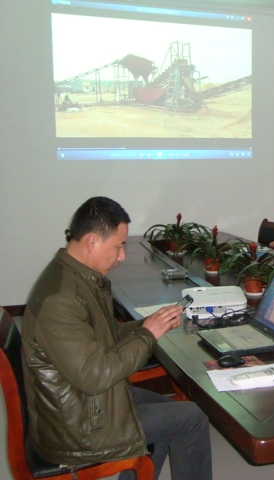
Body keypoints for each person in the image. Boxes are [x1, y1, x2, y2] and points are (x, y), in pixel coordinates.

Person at [21, 197, 212, 480]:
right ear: (92, 241)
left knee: (177, 410)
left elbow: (103, 337)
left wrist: (146, 324)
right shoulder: (61, 300)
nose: (121, 256)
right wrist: (149, 333)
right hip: (76, 430)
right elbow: (95, 376)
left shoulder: (77, 276)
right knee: (192, 419)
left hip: (82, 404)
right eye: (118, 246)